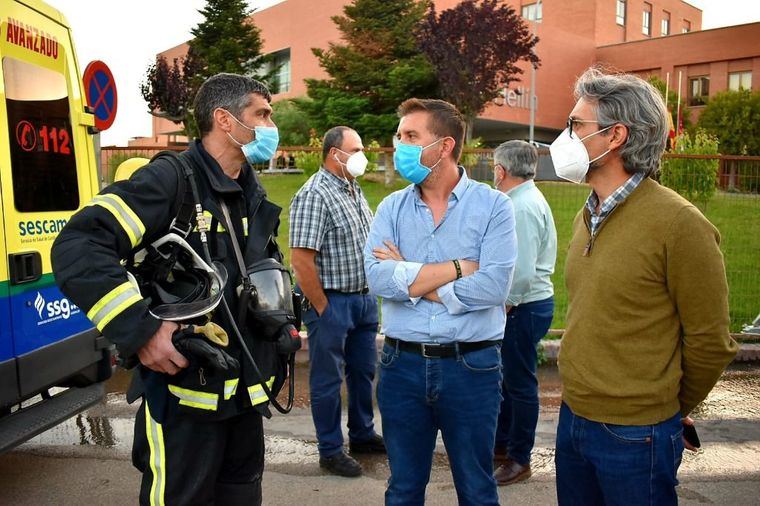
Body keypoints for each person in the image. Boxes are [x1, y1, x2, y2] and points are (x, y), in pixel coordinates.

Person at [52, 73, 288, 505]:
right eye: (263, 114)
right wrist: (141, 329)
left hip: (243, 407)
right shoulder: (170, 181)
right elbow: (78, 246)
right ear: (225, 119)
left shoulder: (249, 193)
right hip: (184, 407)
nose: (272, 127)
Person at [551, 68, 739, 505]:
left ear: (615, 136)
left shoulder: (680, 225)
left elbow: (711, 342)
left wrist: (665, 411)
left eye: (576, 124)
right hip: (573, 416)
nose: (567, 136)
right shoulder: (588, 213)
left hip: (636, 435)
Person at [365, 98, 517, 505]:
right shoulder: (391, 207)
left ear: (445, 146)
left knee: (477, 488)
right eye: (399, 136)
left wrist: (412, 276)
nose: (399, 145)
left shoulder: (494, 206)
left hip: (472, 367)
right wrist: (457, 267)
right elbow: (378, 278)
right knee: (403, 489)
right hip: (402, 366)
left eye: (411, 136)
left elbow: (494, 287)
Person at [289, 126, 384, 477]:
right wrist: (322, 306)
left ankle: (361, 434)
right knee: (328, 379)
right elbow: (301, 258)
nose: (363, 155)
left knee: (363, 371)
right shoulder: (315, 194)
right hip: (332, 302)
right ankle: (330, 449)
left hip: (362, 300)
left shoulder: (352, 189)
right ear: (334, 153)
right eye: (356, 149)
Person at [491, 140, 557, 485]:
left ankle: (519, 458)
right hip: (525, 305)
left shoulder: (520, 207)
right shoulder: (523, 200)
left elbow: (522, 271)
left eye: (493, 168)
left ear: (501, 171)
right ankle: (502, 447)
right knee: (510, 380)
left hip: (524, 306)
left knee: (519, 384)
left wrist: (502, 308)